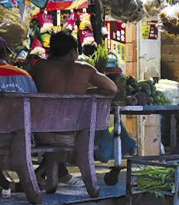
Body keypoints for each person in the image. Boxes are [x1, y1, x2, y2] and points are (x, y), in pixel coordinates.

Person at [28, 31, 117, 184]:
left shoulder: (40, 67)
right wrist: (84, 92)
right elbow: (112, 88)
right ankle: (55, 174)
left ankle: (52, 174)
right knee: (67, 135)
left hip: (42, 134)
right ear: (72, 52)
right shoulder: (85, 69)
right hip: (73, 136)